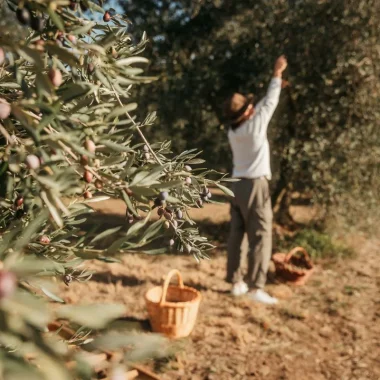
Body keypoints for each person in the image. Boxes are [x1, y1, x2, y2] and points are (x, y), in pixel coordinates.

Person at [223, 55, 288, 304]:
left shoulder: (234, 131)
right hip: (254, 185)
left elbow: (260, 108)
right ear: (246, 113)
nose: (253, 107)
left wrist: (276, 82)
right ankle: (256, 287)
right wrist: (277, 72)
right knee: (261, 235)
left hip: (236, 184)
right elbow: (269, 103)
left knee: (236, 234)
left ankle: (236, 282)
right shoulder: (255, 126)